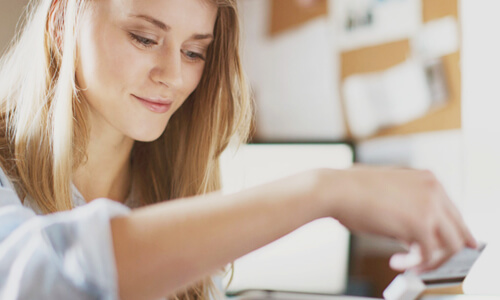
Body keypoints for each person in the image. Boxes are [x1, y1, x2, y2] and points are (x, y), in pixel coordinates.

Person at [0, 0, 477, 299]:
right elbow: (47, 278)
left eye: (194, 52)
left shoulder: (172, 193)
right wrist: (323, 190)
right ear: (62, 20)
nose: (173, 75)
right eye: (144, 38)